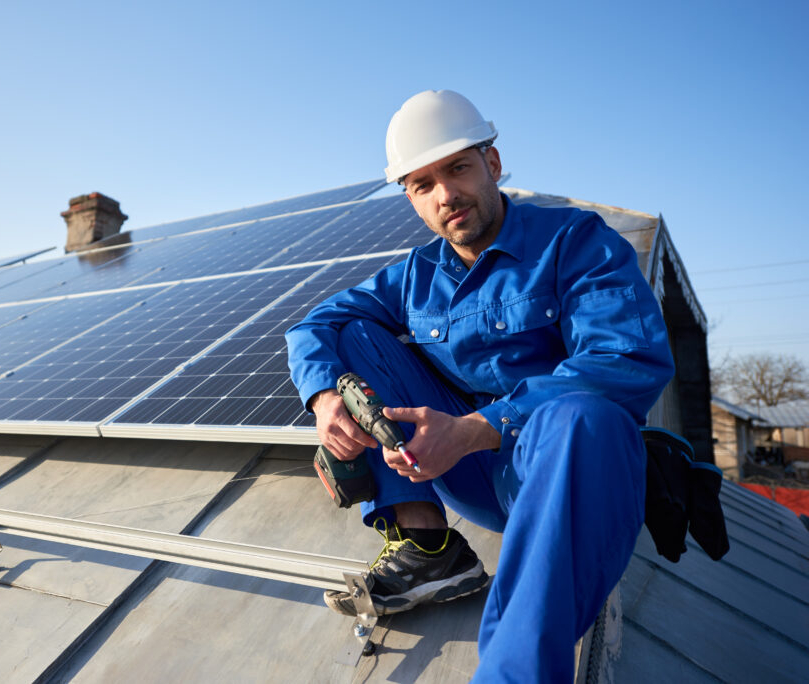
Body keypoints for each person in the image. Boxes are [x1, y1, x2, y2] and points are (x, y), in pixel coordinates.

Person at [285, 90, 675, 681]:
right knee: (354, 337)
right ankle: (428, 548)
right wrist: (323, 396)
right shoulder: (415, 277)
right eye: (422, 184)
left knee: (581, 415)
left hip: (562, 470)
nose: (446, 195)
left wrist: (475, 429)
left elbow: (624, 360)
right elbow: (313, 325)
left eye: (458, 168)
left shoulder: (575, 241)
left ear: (492, 165)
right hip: (467, 475)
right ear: (411, 199)